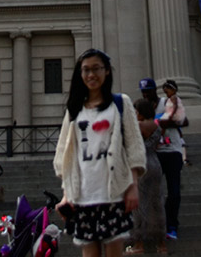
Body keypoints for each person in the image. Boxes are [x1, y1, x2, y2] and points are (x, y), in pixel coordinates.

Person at [54, 49, 145, 257]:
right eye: (85, 70)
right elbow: (65, 156)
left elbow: (134, 148)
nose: (91, 75)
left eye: (96, 69)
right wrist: (67, 194)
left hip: (113, 193)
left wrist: (133, 187)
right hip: (82, 195)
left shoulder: (120, 104)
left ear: (107, 72)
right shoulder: (74, 109)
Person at [139, 77, 183, 241]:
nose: (145, 95)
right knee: (150, 192)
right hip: (153, 153)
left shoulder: (167, 102)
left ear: (154, 90)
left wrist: (160, 122)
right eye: (143, 92)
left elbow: (183, 120)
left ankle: (172, 226)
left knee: (174, 192)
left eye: (148, 91)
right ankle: (154, 226)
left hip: (172, 151)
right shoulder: (142, 108)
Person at [126, 98, 167, 255]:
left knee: (139, 206)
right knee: (157, 203)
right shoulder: (157, 125)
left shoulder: (139, 125)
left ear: (141, 112)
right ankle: (161, 244)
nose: (134, 114)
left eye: (136, 111)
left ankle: (139, 244)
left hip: (141, 165)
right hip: (155, 163)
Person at [157, 80, 185, 145]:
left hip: (173, 114)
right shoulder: (173, 98)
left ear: (173, 90)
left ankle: (161, 137)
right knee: (177, 128)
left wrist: (172, 114)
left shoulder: (173, 97)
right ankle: (181, 138)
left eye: (167, 92)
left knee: (163, 124)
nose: (167, 94)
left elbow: (175, 106)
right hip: (176, 114)